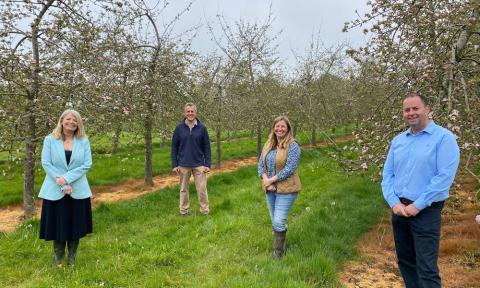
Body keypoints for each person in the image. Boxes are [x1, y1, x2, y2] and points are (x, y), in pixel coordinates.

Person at [382, 93, 460, 287]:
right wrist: (394, 202)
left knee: (426, 268)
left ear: (427, 109)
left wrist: (417, 205)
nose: (411, 113)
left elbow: (443, 178)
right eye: (407, 110)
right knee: (406, 262)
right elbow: (388, 176)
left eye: (415, 108)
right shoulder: (398, 141)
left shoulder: (444, 138)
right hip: (400, 209)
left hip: (426, 211)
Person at [39, 109, 93, 267]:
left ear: (78, 124)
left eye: (75, 120)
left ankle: (72, 258)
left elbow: (87, 164)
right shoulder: (49, 140)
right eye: (68, 119)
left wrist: (67, 179)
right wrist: (62, 183)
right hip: (54, 189)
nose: (72, 122)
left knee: (75, 224)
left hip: (78, 190)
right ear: (62, 121)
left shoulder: (83, 141)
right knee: (58, 224)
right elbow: (46, 163)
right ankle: (58, 257)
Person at [258, 116, 301, 259]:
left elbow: (289, 168)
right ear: (273, 128)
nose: (279, 129)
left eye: (283, 126)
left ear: (288, 128)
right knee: (275, 220)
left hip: (287, 188)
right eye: (277, 126)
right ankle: (282, 245)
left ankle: (278, 255)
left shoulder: (293, 146)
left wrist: (271, 180)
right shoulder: (268, 144)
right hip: (270, 188)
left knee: (278, 221)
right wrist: (265, 180)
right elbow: (260, 165)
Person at [171, 103, 211, 216]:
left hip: (199, 164)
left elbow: (207, 147)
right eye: (188, 111)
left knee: (202, 189)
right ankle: (183, 212)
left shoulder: (202, 128)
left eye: (192, 111)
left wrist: (207, 164)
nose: (190, 114)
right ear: (185, 113)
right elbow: (174, 147)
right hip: (183, 164)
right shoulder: (179, 128)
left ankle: (205, 211)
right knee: (183, 189)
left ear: (195, 113)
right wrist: (175, 164)